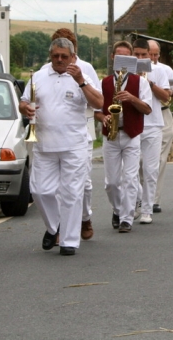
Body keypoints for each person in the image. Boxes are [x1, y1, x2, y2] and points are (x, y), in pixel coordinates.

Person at [19, 38, 104, 256]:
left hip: (73, 145)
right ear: (51, 55)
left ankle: (69, 241)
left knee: (72, 193)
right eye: (55, 55)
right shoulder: (39, 75)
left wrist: (81, 82)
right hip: (44, 143)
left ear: (72, 57)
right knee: (39, 190)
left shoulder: (81, 76)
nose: (59, 60)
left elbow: (99, 103)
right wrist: (25, 109)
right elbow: (23, 101)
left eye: (64, 56)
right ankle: (53, 226)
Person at [47, 28, 100, 241]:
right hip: (55, 136)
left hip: (81, 132)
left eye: (69, 44)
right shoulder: (47, 70)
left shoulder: (85, 68)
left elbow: (97, 98)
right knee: (58, 185)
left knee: (84, 182)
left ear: (74, 48)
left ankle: (85, 218)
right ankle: (61, 226)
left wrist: (102, 116)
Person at [95, 41, 152, 233]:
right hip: (110, 136)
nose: (122, 61)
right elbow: (96, 110)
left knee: (129, 178)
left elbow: (148, 109)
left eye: (127, 58)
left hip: (131, 135)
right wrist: (103, 117)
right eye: (119, 57)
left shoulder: (140, 82)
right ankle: (117, 210)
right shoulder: (103, 82)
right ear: (112, 58)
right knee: (111, 183)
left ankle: (126, 218)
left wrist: (132, 98)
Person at [133, 39, 171, 225]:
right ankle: (137, 200)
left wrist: (149, 83)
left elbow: (166, 98)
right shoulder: (127, 70)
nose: (140, 58)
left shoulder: (160, 71)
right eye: (136, 54)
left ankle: (147, 209)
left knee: (150, 169)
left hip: (154, 124)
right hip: (133, 124)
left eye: (143, 55)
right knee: (131, 170)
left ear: (150, 54)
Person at [147, 40, 173, 214]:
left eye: (156, 54)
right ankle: (141, 195)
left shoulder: (165, 70)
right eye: (150, 54)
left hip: (163, 114)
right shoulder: (137, 69)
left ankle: (153, 199)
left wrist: (169, 91)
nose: (153, 58)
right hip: (143, 116)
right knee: (141, 160)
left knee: (159, 160)